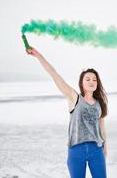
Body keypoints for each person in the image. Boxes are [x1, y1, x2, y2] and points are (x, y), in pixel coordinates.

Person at [26, 45, 108, 178]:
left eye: (94, 79)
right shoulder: (74, 97)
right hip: (76, 149)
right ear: (81, 82)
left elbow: (101, 126)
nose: (91, 81)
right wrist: (39, 56)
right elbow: (55, 74)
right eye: (87, 79)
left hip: (96, 150)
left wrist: (105, 146)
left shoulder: (100, 103)